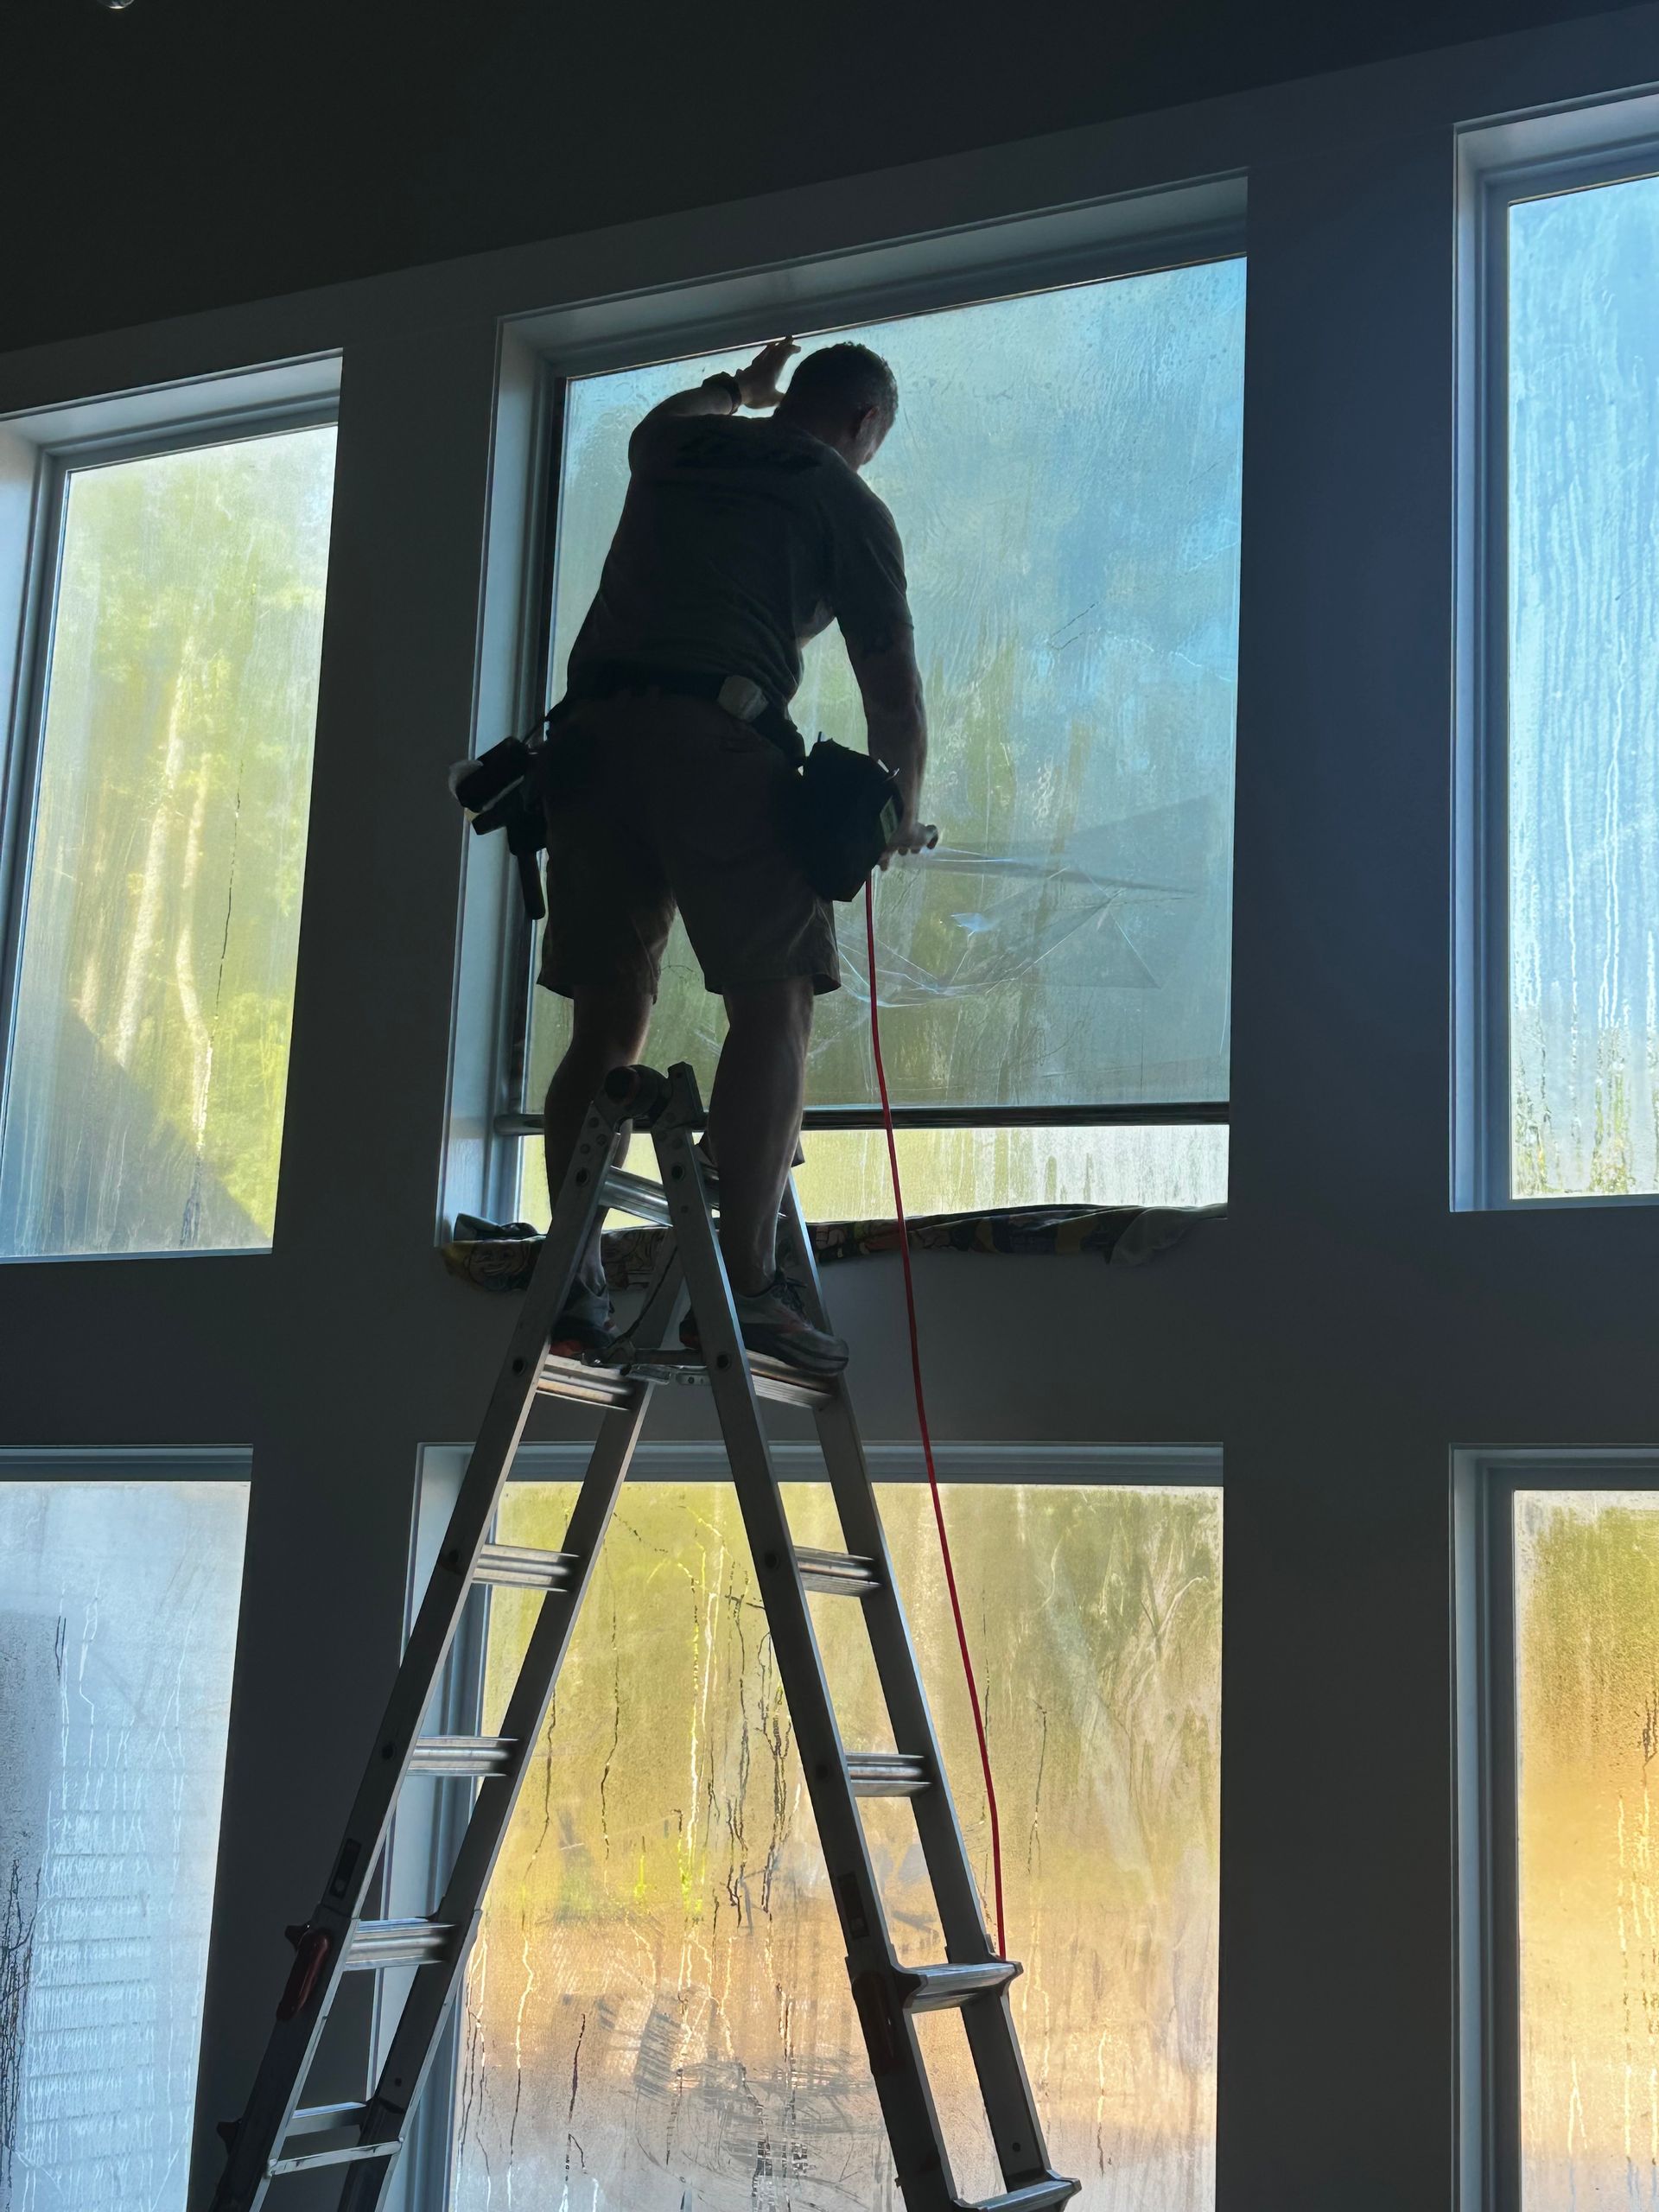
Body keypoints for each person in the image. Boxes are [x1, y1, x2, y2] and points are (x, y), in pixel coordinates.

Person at [537, 335, 931, 1374]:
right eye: (874, 439)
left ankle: (569, 1286)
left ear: (787, 399)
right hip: (713, 742)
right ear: (861, 426)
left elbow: (681, 413)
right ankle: (747, 1290)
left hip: (583, 751)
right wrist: (898, 816)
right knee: (776, 997)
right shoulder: (844, 498)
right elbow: (894, 697)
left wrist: (740, 388)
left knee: (605, 1024)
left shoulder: (674, 449)